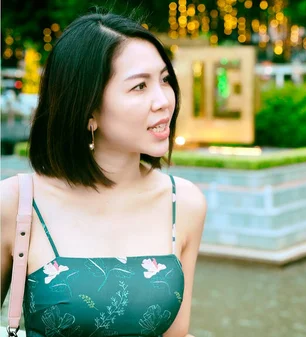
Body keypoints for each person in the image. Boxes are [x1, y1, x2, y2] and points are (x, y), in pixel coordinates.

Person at [1, 10, 206, 337]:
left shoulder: (184, 203)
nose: (163, 100)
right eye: (140, 86)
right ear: (87, 109)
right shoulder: (16, 203)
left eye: (165, 80)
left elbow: (177, 333)